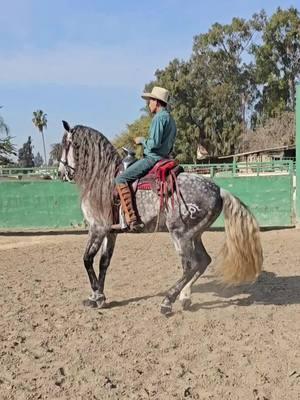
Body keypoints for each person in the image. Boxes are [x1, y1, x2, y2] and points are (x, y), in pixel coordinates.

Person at [115, 86, 177, 231]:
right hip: (165, 157)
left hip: (153, 159)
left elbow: (154, 144)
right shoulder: (170, 119)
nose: (148, 104)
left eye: (150, 101)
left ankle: (131, 219)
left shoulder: (159, 118)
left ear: (157, 102)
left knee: (121, 179)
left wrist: (142, 140)